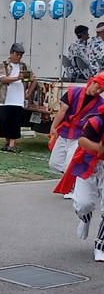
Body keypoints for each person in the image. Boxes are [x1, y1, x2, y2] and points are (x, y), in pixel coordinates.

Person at [54, 104, 104, 262]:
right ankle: (85, 218)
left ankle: (100, 246)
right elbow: (82, 141)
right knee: (83, 204)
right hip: (88, 165)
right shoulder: (97, 121)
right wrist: (98, 147)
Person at [48, 74, 104, 175]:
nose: (98, 91)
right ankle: (71, 179)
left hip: (80, 136)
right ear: (93, 82)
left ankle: (71, 186)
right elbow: (62, 111)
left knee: (69, 164)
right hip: (65, 132)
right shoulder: (73, 92)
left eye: (102, 90)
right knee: (54, 163)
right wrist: (53, 127)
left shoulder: (101, 104)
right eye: (98, 88)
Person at [0, 43, 37, 153]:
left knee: (15, 123)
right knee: (5, 123)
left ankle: (12, 144)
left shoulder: (24, 67)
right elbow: (3, 79)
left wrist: (28, 93)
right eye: (17, 54)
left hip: (18, 100)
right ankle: (8, 142)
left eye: (20, 55)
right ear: (11, 53)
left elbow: (33, 79)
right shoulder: (3, 65)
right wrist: (17, 78)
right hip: (5, 99)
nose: (19, 57)